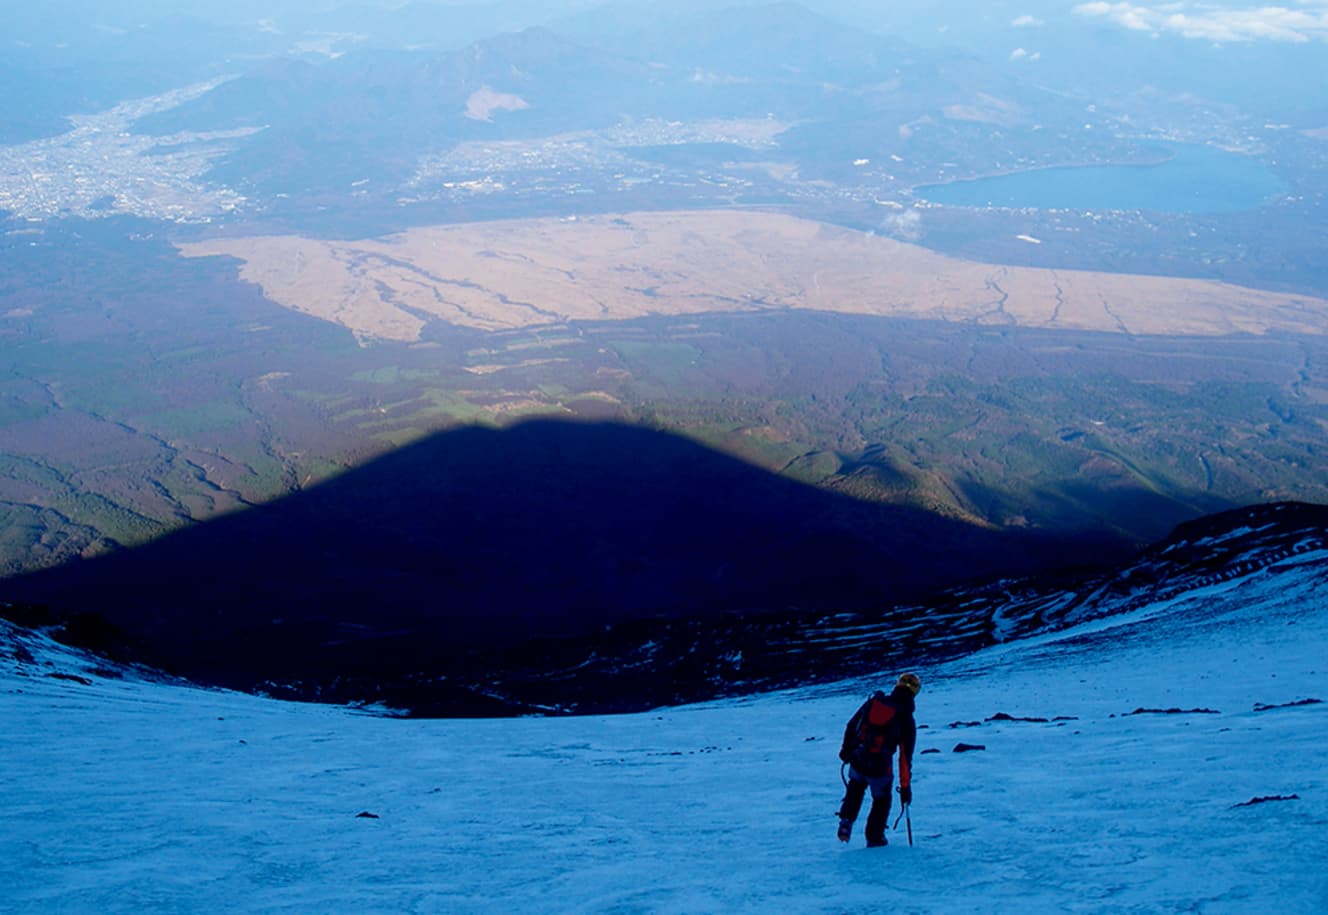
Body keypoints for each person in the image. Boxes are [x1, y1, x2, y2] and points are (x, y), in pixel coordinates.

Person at [836, 672, 920, 847]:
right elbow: (905, 757)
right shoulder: (906, 718)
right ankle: (875, 837)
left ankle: (846, 820)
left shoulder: (874, 702)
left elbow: (851, 725)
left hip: (858, 757)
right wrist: (905, 788)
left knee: (856, 787)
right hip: (880, 766)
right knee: (882, 801)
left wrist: (846, 750)